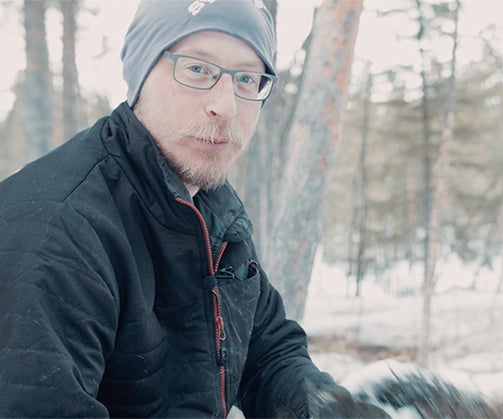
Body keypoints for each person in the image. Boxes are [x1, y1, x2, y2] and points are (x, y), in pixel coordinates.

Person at [0, 0, 389, 417]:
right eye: (197, 69)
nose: (226, 106)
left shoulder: (211, 208)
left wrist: (332, 411)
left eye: (246, 78)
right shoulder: (57, 229)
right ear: (140, 73)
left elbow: (267, 350)